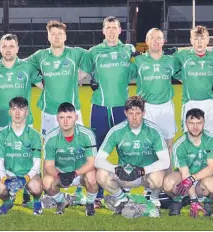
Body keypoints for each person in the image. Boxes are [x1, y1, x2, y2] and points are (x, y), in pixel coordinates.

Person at [81, 16, 137, 205]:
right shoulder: (94, 52)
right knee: (96, 150)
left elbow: (138, 70)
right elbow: (83, 73)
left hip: (122, 108)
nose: (111, 31)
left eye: (115, 27)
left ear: (120, 30)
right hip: (100, 107)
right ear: (103, 31)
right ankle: (96, 194)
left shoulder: (127, 50)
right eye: (108, 28)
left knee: (125, 150)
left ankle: (124, 189)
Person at [94, 96, 170, 213]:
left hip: (147, 175)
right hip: (126, 174)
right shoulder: (116, 131)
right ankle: (122, 200)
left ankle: (154, 199)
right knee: (101, 174)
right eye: (131, 113)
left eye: (138, 113)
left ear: (143, 113)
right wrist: (116, 169)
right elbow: (98, 160)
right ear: (125, 113)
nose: (134, 118)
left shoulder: (153, 130)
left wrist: (143, 170)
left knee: (159, 176)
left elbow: (165, 161)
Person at [27, 20, 89, 135]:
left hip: (72, 110)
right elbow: (25, 66)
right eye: (53, 34)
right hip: (49, 111)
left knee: (77, 146)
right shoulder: (41, 55)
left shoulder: (75, 53)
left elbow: (93, 57)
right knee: (49, 146)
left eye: (60, 34)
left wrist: (80, 75)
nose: (56, 37)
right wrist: (37, 80)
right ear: (48, 37)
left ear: (65, 36)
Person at [41, 102, 99, 216]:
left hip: (81, 173)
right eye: (62, 117)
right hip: (61, 174)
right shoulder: (50, 138)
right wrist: (59, 175)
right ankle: (62, 201)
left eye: (69, 117)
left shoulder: (87, 134)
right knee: (46, 182)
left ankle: (90, 203)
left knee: (93, 178)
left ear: (76, 118)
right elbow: (49, 165)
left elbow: (92, 162)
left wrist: (74, 173)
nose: (65, 121)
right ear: (57, 118)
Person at [132, 28, 181, 158]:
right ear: (147, 41)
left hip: (166, 107)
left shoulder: (171, 61)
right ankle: (146, 176)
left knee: (168, 145)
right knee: (146, 145)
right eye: (152, 38)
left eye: (159, 38)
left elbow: (185, 76)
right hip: (147, 108)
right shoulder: (139, 61)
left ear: (163, 41)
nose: (156, 41)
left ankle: (168, 175)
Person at [0, 97, 44, 216]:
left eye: (21, 109)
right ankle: (7, 202)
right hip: (9, 173)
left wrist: (25, 178)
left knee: (36, 187)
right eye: (14, 109)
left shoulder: (34, 135)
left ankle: (36, 202)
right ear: (9, 112)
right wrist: (5, 179)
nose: (17, 113)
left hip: (28, 173)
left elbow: (37, 164)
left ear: (27, 112)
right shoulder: (2, 135)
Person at [163, 108, 213, 217]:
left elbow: (211, 167)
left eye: (199, 123)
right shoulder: (179, 145)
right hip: (185, 178)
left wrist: (193, 179)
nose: (195, 127)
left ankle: (207, 202)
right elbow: (185, 174)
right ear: (186, 124)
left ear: (204, 123)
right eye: (191, 123)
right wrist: (194, 200)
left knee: (212, 185)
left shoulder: (211, 139)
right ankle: (178, 200)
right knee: (168, 183)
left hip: (202, 177)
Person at [0, 33, 42, 133]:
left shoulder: (27, 67)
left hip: (25, 122)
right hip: (1, 123)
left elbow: (44, 86)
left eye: (11, 46)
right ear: (0, 48)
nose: (8, 50)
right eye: (4, 46)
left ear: (17, 48)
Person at [173, 25, 213, 135]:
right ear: (191, 40)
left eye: (202, 38)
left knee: (212, 139)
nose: (199, 42)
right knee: (190, 141)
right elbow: (173, 70)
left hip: (211, 103)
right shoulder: (182, 55)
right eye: (196, 39)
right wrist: (185, 79)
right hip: (190, 103)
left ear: (208, 40)